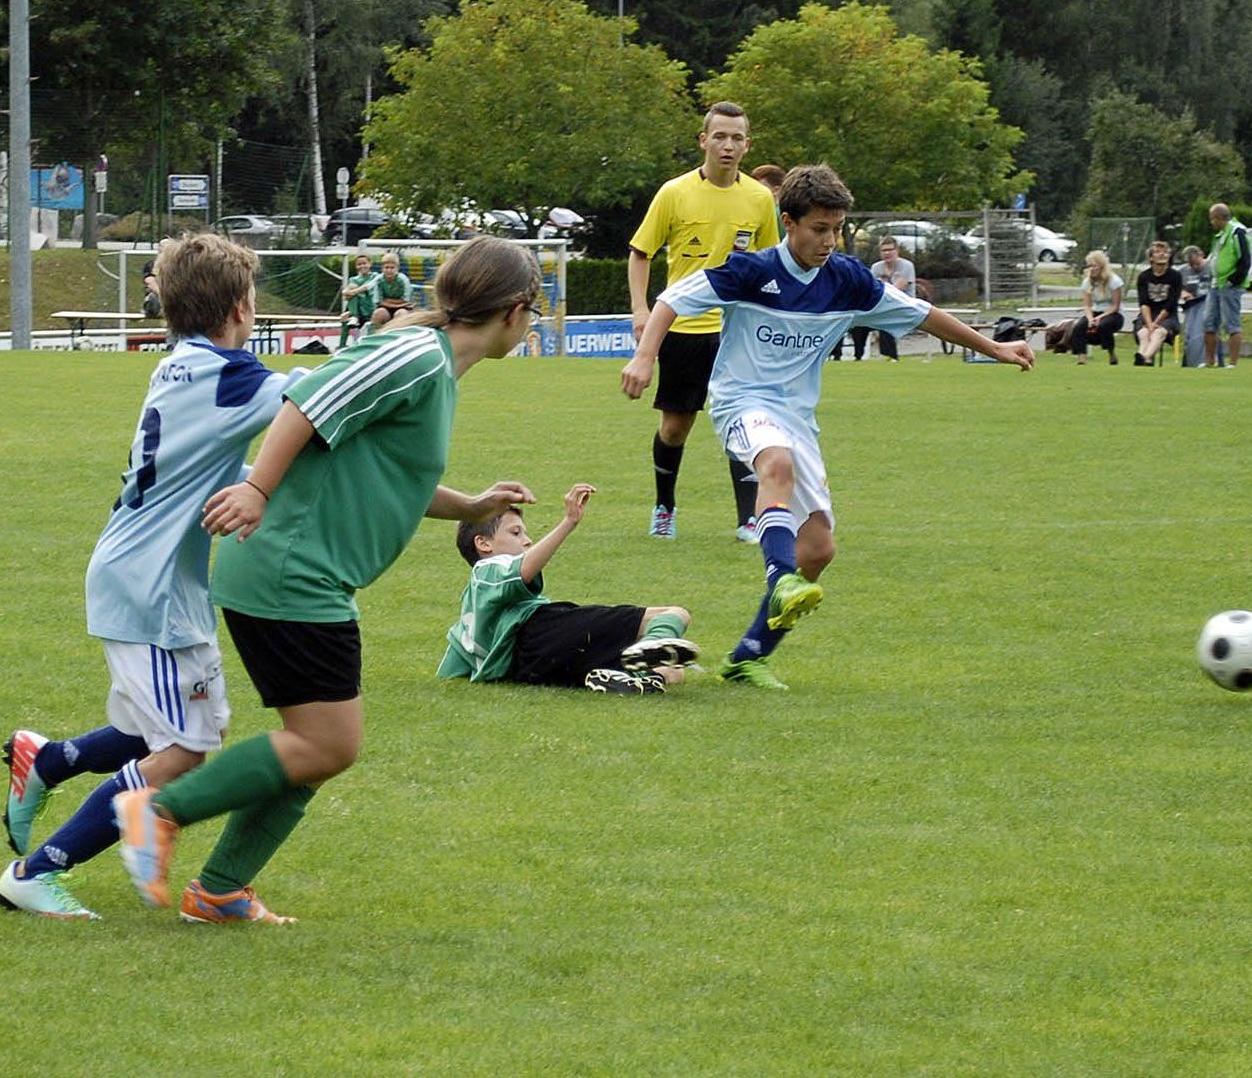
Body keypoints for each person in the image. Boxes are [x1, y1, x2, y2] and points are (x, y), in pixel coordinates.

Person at [112, 236, 541, 925]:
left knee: (313, 749)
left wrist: (467, 507)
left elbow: (378, 469)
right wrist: (255, 487)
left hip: (303, 575)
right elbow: (306, 406)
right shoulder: (412, 356)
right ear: (517, 311)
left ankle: (220, 891)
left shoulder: (430, 365)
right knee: (326, 743)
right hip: (290, 572)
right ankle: (157, 810)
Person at [620, 164, 1034, 690]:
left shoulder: (848, 280)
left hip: (797, 416)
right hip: (740, 400)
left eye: (836, 229)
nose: (829, 240)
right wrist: (644, 357)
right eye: (819, 228)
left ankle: (749, 654)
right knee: (775, 463)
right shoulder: (749, 271)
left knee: (817, 551)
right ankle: (777, 576)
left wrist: (993, 347)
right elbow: (671, 300)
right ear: (787, 221)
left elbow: (922, 313)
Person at [0, 233, 304, 919]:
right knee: (185, 748)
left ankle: (51, 760)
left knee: (156, 728)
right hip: (152, 585)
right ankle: (35, 871)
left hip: (141, 572)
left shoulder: (185, 365)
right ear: (241, 307)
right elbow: (326, 397)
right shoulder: (233, 377)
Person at [629, 102, 781, 543]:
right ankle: (664, 507)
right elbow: (641, 253)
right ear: (704, 140)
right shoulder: (674, 193)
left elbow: (771, 264)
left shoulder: (758, 199)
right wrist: (641, 309)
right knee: (676, 426)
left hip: (737, 332)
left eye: (737, 138)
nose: (728, 145)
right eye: (720, 136)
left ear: (747, 145)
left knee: (745, 421)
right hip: (683, 329)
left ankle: (749, 518)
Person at [436, 483, 698, 695]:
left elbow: (455, 661)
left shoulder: (469, 617)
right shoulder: (487, 570)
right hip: (539, 632)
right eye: (516, 533)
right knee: (674, 613)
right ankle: (649, 649)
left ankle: (636, 678)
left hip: (531, 670)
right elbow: (524, 570)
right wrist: (568, 522)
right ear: (483, 544)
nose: (527, 541)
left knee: (674, 671)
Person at [849, 237, 915, 361]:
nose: (887, 253)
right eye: (884, 250)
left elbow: (896, 291)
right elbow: (870, 290)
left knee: (886, 322)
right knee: (857, 324)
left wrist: (882, 285)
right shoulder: (876, 267)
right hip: (881, 306)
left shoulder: (906, 266)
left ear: (897, 251)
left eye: (890, 250)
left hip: (903, 307)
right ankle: (858, 357)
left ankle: (890, 357)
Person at [1205, 202, 1250, 369]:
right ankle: (1210, 362)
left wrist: (1233, 280)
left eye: (1212, 219)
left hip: (1229, 286)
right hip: (1215, 285)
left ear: (1218, 218)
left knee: (1231, 324)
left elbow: (1245, 259)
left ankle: (1232, 363)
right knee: (1209, 323)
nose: (1211, 222)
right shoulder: (1220, 235)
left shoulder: (1237, 232)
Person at [1131, 241, 1182, 366]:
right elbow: (1143, 303)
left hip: (1168, 316)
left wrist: (1155, 324)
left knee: (1159, 332)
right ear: (1151, 257)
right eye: (1158, 252)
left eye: (1165, 252)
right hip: (1148, 314)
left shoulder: (1175, 276)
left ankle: (1145, 357)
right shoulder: (1143, 277)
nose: (1162, 254)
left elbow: (1171, 304)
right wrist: (1149, 323)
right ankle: (1144, 359)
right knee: (1143, 333)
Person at [1070, 250, 1125, 365]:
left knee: (1104, 325)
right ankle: (1082, 359)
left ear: (1101, 266)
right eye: (1089, 266)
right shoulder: (1087, 282)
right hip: (1095, 311)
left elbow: (1116, 306)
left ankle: (1111, 354)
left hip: (1113, 314)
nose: (1091, 268)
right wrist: (1090, 319)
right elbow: (1087, 305)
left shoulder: (1114, 281)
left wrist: (1100, 317)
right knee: (1079, 327)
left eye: (1094, 265)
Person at [337, 251, 378, 348]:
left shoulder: (375, 276)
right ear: (356, 266)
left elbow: (366, 287)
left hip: (370, 309)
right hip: (358, 309)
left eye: (364, 263)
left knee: (354, 292)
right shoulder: (353, 279)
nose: (362, 266)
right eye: (359, 264)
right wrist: (350, 292)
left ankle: (354, 317)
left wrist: (353, 292)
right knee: (345, 319)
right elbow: (345, 293)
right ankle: (341, 347)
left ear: (370, 264)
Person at [1179, 245, 1211, 368]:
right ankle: (1191, 362)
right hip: (1191, 306)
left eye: (1197, 263)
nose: (1195, 267)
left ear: (1201, 255)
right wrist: (1183, 293)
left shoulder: (1211, 267)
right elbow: (1176, 287)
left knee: (1205, 332)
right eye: (1191, 264)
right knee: (1190, 334)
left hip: (1208, 304)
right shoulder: (1182, 271)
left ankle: (1207, 360)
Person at [369, 251, 412, 328]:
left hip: (402, 308)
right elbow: (379, 301)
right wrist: (396, 302)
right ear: (382, 268)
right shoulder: (379, 280)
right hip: (385, 308)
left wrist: (388, 300)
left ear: (397, 268)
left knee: (401, 314)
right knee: (378, 313)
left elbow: (406, 301)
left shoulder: (403, 280)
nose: (389, 270)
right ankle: (375, 336)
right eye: (386, 267)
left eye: (392, 267)